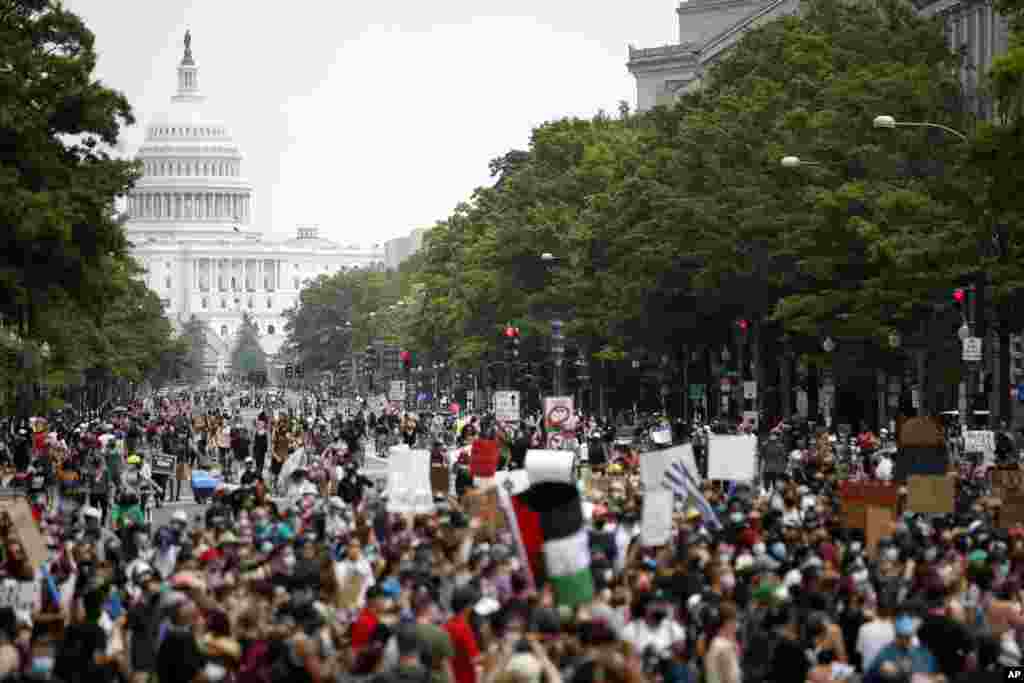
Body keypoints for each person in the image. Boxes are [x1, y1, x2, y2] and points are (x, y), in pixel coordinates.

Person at [863, 615, 937, 683]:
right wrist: (879, 670)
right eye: (901, 637)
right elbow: (867, 677)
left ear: (912, 636)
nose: (904, 641)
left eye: (907, 637)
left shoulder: (922, 653)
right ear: (896, 636)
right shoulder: (886, 652)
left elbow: (932, 673)